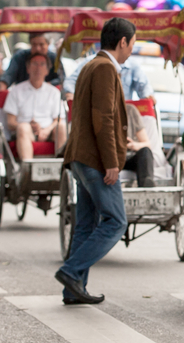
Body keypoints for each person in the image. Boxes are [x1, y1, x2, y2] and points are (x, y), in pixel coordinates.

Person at [56, 18, 137, 305]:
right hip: (94, 159)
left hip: (80, 156)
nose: (131, 51)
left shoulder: (91, 64)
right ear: (123, 42)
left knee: (87, 224)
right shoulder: (104, 67)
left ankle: (73, 289)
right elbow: (103, 117)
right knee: (116, 221)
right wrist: (111, 162)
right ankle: (70, 271)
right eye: (132, 44)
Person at [3, 53, 65, 160]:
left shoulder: (54, 92)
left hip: (48, 132)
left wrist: (46, 130)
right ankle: (28, 169)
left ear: (47, 70)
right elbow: (10, 122)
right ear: (28, 69)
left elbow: (58, 119)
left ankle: (61, 166)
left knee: (62, 126)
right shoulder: (16, 91)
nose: (38, 68)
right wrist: (27, 126)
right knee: (23, 128)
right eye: (35, 64)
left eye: (42, 64)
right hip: (26, 132)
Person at [62, 47, 154, 103]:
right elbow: (70, 81)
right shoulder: (90, 63)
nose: (131, 49)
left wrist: (147, 96)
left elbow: (144, 86)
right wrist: (72, 95)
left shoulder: (132, 65)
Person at [123, 102, 155, 187]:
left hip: (129, 156)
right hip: (110, 157)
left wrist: (133, 145)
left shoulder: (130, 110)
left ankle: (146, 184)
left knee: (145, 151)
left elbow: (147, 144)